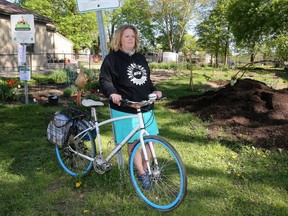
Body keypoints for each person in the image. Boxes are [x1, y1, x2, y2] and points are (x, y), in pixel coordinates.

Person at [99, 24, 162, 190]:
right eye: (127, 36)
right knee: (133, 142)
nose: (131, 39)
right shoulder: (112, 59)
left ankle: (146, 167)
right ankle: (141, 173)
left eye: (133, 36)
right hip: (124, 107)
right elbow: (105, 80)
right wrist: (112, 93)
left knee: (151, 139)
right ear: (119, 38)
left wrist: (154, 90)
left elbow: (146, 80)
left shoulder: (140, 58)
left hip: (145, 106)